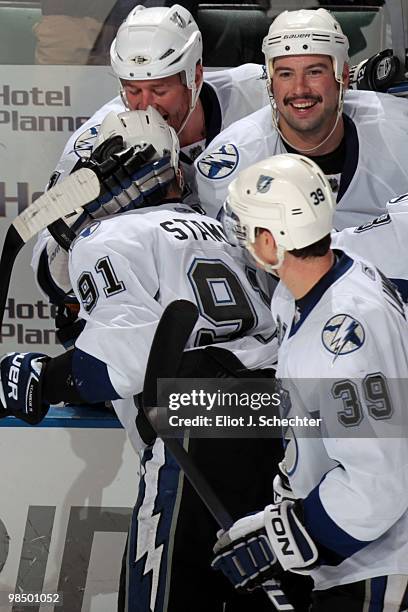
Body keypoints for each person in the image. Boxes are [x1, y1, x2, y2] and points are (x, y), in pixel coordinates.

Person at [3, 108, 301, 611]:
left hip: (194, 426)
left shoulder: (110, 237)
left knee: (164, 596)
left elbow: (116, 363)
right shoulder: (219, 230)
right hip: (278, 423)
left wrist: (42, 379)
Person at [213, 152, 408, 611]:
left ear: (270, 240)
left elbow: (377, 482)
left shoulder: (345, 333)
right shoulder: (306, 290)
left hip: (376, 561)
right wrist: (277, 520)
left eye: (246, 229)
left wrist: (282, 542)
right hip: (342, 556)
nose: (240, 239)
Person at [31, 2, 270, 313]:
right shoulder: (96, 142)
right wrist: (80, 222)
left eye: (159, 90)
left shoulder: (256, 93)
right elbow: (50, 280)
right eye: (133, 90)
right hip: (155, 320)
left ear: (195, 75)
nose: (146, 107)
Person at [194, 8, 408, 227]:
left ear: (343, 76)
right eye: (286, 74)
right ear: (270, 81)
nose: (299, 89)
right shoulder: (232, 163)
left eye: (314, 72)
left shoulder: (399, 130)